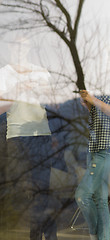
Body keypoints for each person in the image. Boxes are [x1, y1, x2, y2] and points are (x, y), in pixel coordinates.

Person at [0, 36, 58, 240]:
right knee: (28, 191)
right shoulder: (4, 73)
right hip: (17, 137)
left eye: (23, 45)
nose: (19, 49)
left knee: (44, 190)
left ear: (29, 47)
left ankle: (47, 236)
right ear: (10, 47)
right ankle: (37, 234)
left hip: (41, 135)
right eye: (15, 44)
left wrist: (45, 92)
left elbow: (56, 104)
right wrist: (16, 91)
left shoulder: (41, 72)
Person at [75, 89, 110, 240]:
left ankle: (95, 236)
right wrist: (90, 105)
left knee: (82, 196)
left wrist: (94, 100)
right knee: (100, 202)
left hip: (107, 149)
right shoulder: (104, 85)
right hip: (94, 148)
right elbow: (104, 115)